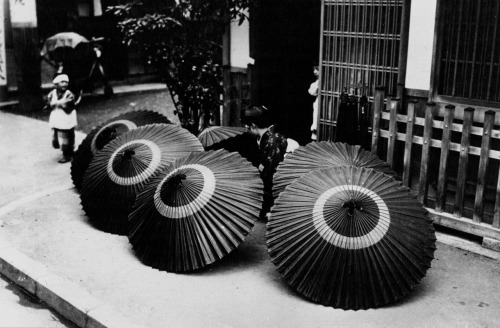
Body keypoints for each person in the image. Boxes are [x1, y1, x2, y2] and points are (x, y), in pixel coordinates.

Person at [241, 105, 288, 221]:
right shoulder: (266, 138)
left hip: (274, 184)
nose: (246, 130)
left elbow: (270, 169)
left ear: (253, 126)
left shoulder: (271, 141)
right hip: (268, 179)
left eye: (247, 127)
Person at [46, 74, 77, 163]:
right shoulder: (52, 94)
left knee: (68, 135)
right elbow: (48, 103)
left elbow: (69, 104)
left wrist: (57, 103)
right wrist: (52, 104)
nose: (65, 84)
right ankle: (66, 152)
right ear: (56, 84)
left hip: (67, 117)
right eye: (62, 82)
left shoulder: (69, 94)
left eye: (66, 82)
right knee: (59, 136)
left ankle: (68, 154)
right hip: (57, 117)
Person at [308, 65, 319, 141]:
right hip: (318, 103)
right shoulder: (316, 82)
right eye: (314, 69)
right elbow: (312, 92)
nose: (315, 71)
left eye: (317, 69)